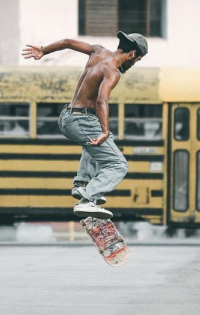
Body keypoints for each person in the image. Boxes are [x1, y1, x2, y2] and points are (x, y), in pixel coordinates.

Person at [22, 31, 148, 219]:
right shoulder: (112, 71)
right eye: (137, 60)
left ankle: (81, 184)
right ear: (132, 55)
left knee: (99, 142)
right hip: (82, 119)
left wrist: (44, 50)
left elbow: (67, 42)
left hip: (67, 117)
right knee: (118, 164)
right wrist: (105, 130)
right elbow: (101, 101)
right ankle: (88, 199)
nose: (134, 64)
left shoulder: (98, 52)